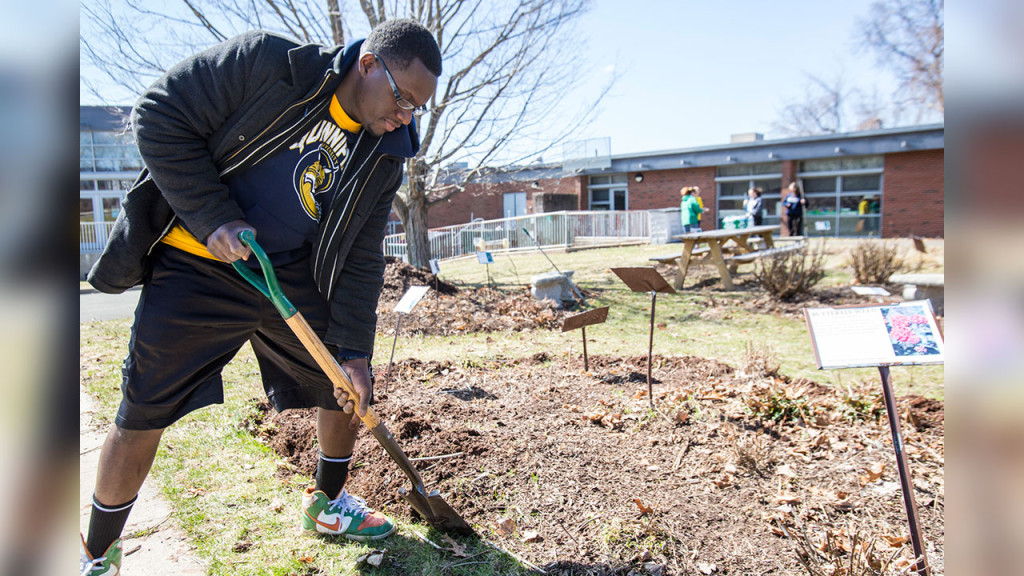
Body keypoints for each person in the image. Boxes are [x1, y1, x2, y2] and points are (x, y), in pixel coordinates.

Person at [81, 20, 442, 575]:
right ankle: (98, 555)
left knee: (342, 386)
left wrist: (354, 349)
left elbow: (363, 256)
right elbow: (158, 115)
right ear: (367, 63)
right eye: (403, 98)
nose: (405, 116)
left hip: (288, 273)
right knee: (142, 411)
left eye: (416, 109)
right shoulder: (269, 64)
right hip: (196, 265)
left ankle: (327, 505)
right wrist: (212, 216)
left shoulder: (384, 152)